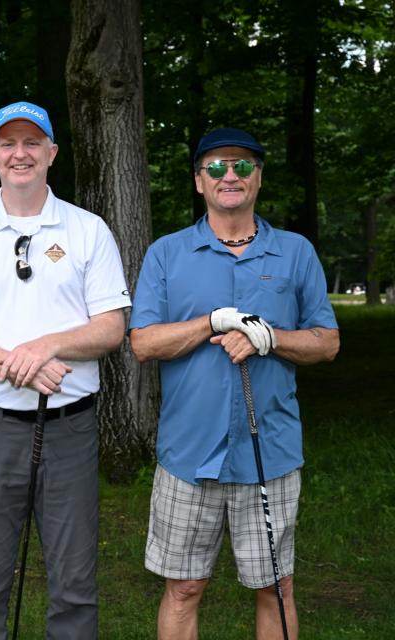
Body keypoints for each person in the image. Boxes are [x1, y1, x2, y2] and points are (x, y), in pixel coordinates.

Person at [0, 101, 131, 639]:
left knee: (74, 584)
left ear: (51, 153)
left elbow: (111, 327)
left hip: (70, 426)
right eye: (9, 144)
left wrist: (46, 345)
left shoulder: (89, 230)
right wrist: (18, 366)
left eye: (32, 143)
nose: (21, 154)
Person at [129, 127, 340, 640]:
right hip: (187, 454)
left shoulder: (294, 252)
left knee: (276, 587)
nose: (230, 175)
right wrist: (213, 323)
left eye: (243, 166)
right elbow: (143, 343)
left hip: (270, 452)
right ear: (199, 181)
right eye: (217, 167)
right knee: (183, 588)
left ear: (258, 178)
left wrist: (271, 338)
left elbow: (327, 342)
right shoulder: (167, 253)